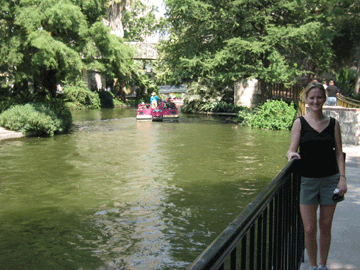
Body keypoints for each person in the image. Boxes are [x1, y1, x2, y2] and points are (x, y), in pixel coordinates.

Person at [286, 82, 347, 270]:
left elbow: (339, 153)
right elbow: (291, 149)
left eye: (319, 97)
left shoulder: (333, 124)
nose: (315, 101)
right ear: (306, 99)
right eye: (311, 97)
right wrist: (290, 155)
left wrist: (342, 178)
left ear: (324, 99)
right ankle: (312, 266)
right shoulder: (300, 123)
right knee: (309, 229)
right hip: (308, 181)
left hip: (330, 180)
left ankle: (322, 265)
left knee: (325, 226)